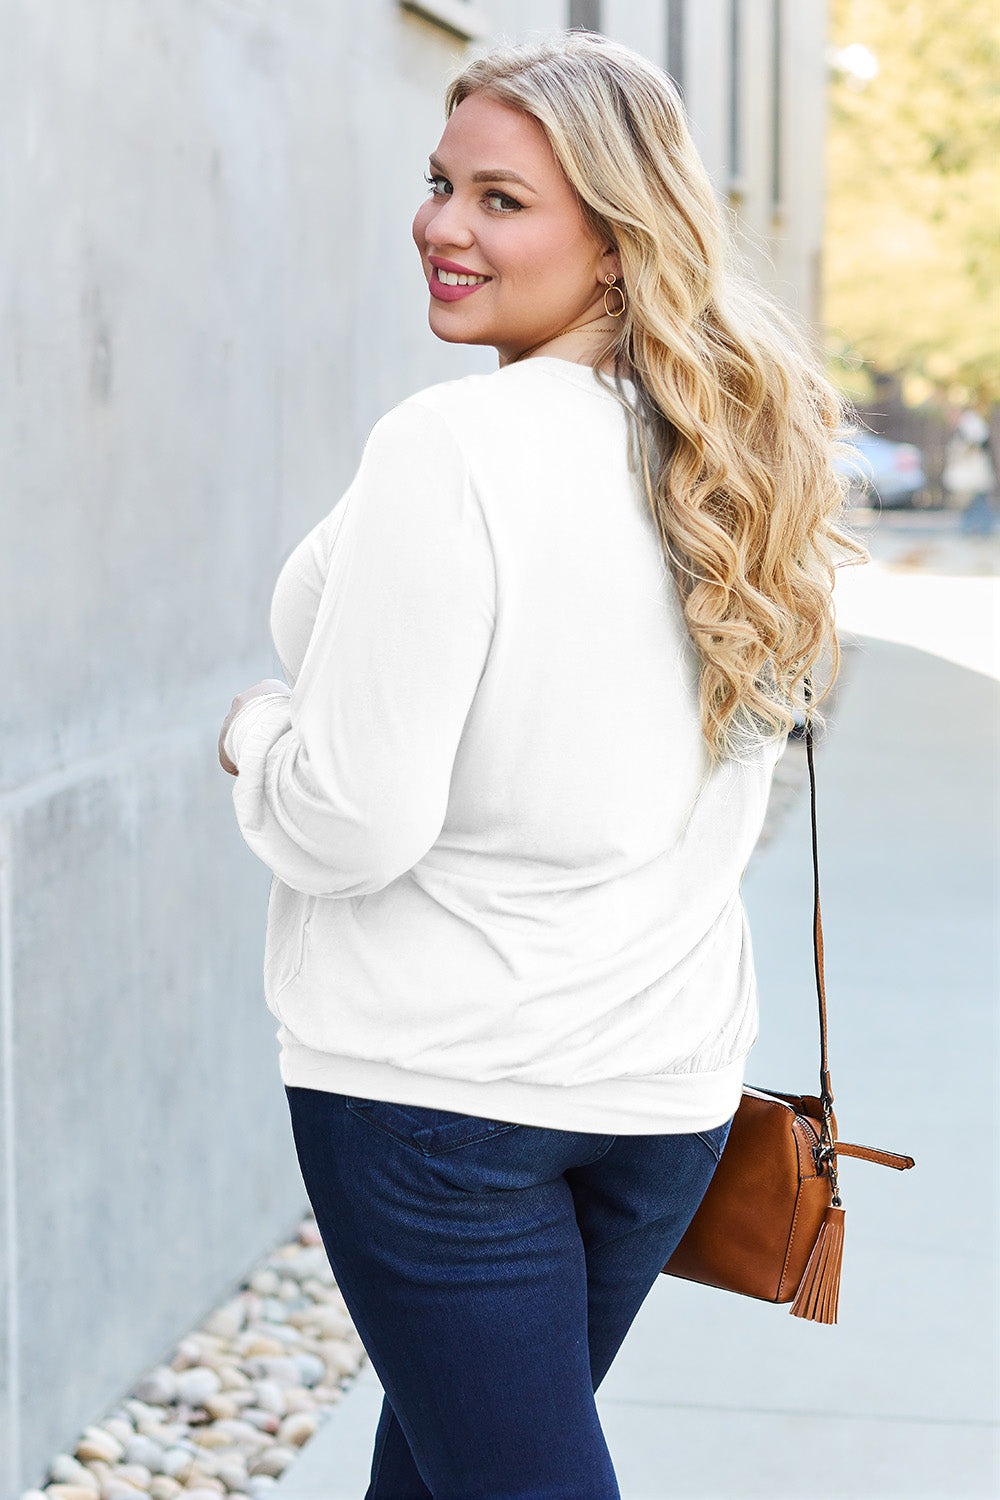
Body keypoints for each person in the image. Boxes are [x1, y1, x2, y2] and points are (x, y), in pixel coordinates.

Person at [218, 32, 861, 1500]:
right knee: (447, 1471)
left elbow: (350, 824)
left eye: (501, 199)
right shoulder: (741, 452)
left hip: (446, 1100)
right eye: (440, 184)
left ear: (622, 241)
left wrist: (251, 733)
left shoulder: (453, 447)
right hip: (662, 1098)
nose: (442, 226)